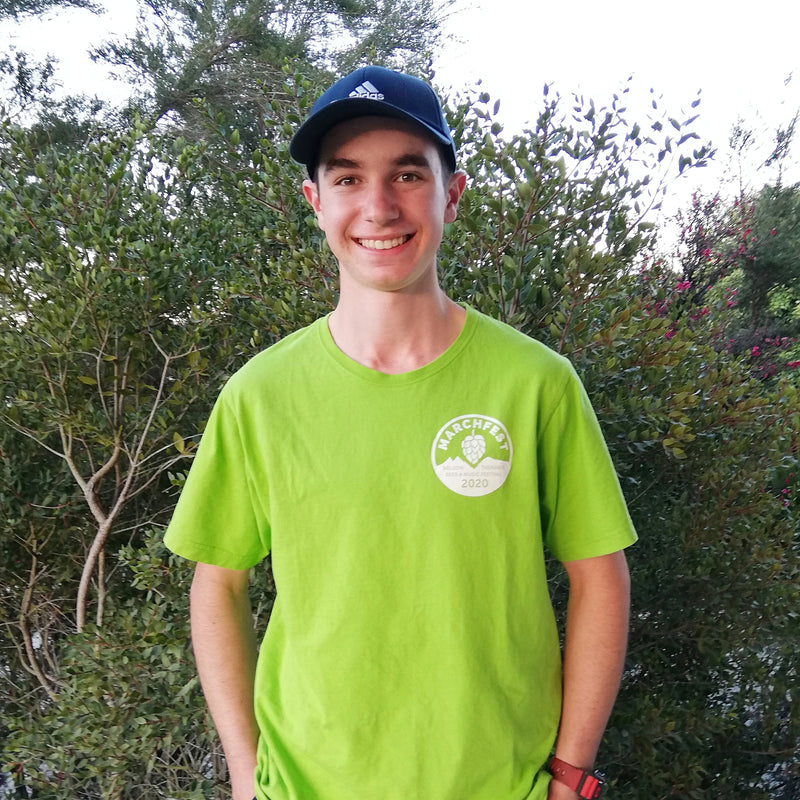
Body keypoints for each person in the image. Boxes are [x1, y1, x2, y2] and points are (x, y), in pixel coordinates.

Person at [164, 65, 636, 800]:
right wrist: (244, 773)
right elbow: (217, 583)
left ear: (453, 192)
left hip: (499, 782)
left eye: (408, 174)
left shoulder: (535, 383)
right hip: (305, 785)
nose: (379, 207)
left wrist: (570, 772)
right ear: (315, 201)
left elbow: (599, 575)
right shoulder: (261, 394)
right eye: (348, 179)